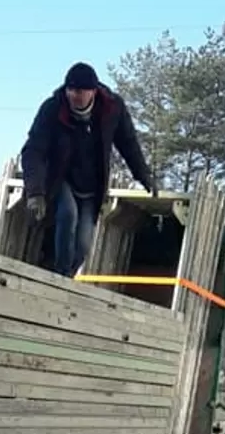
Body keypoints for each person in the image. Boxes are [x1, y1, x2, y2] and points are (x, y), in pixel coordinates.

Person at [21, 63, 153, 278]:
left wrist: (143, 175)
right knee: (67, 214)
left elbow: (128, 143)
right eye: (70, 90)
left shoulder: (112, 108)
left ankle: (67, 274)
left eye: (80, 91)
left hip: (92, 184)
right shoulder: (52, 108)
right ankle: (60, 276)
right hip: (60, 178)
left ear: (92, 91)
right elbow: (33, 150)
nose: (74, 96)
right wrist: (35, 192)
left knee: (83, 243)